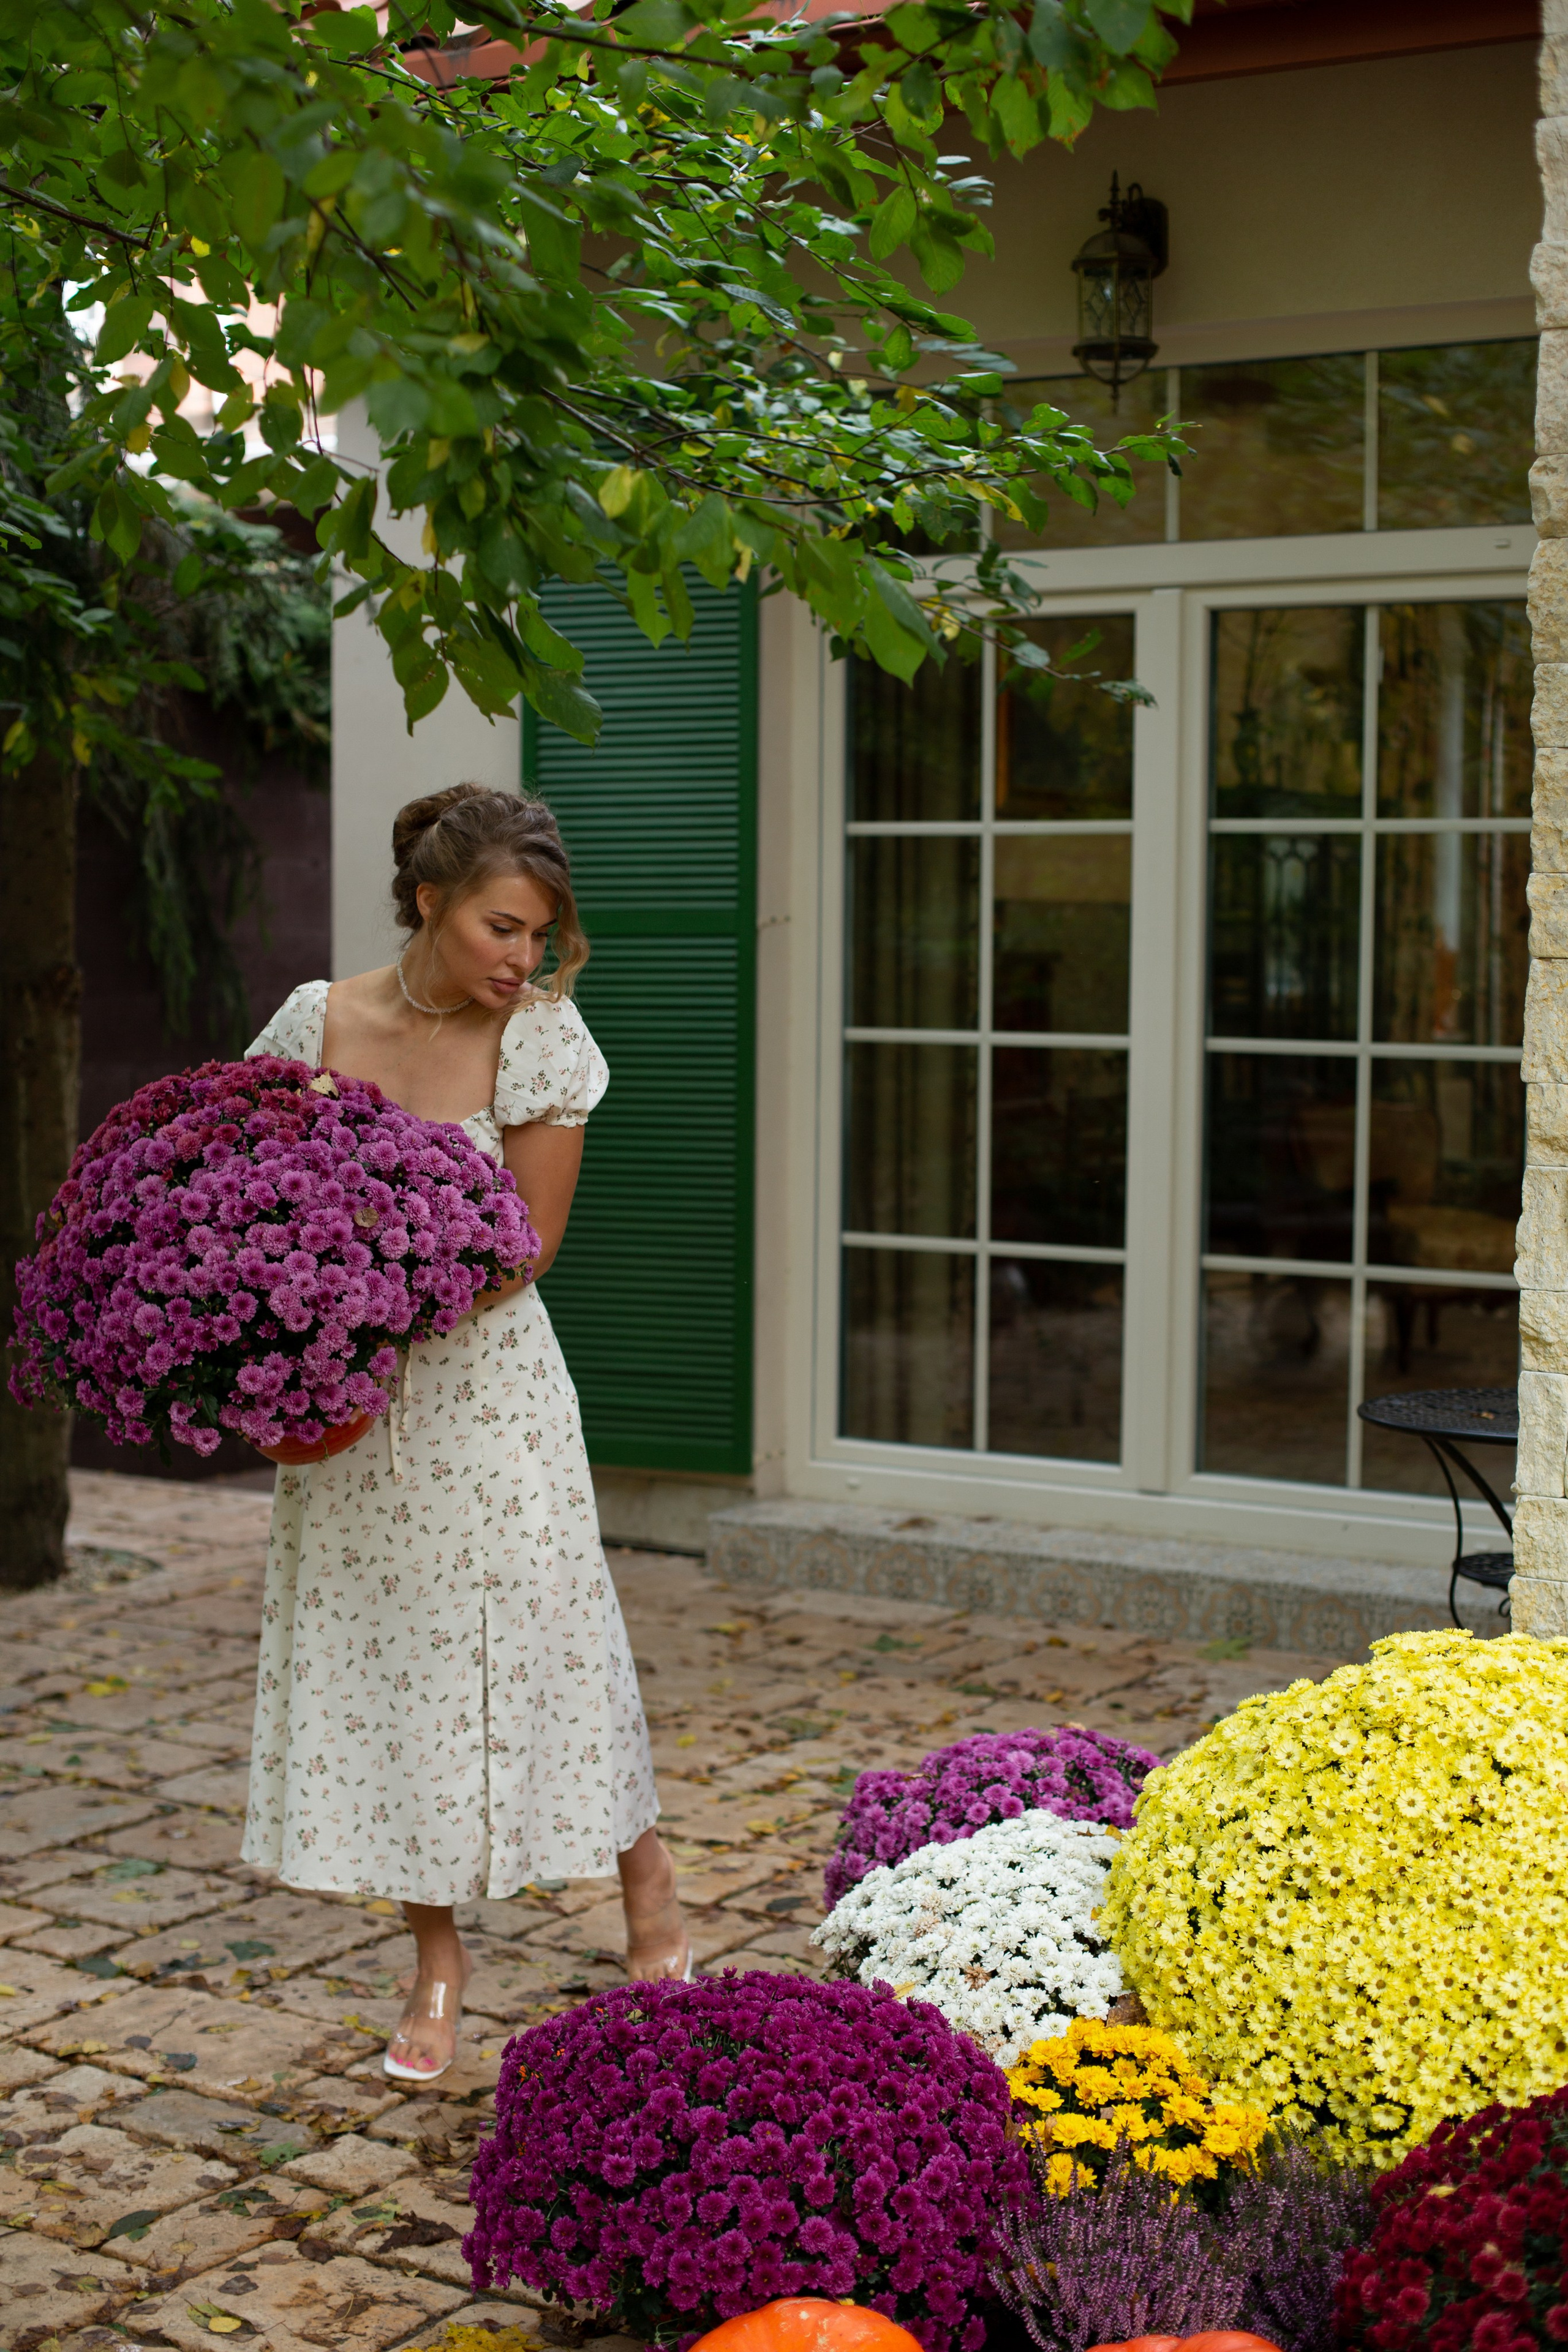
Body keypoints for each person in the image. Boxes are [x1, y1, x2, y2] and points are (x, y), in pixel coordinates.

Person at [243, 782, 687, 2081]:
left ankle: (645, 1888)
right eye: (501, 927)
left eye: (540, 938)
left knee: (556, 1639)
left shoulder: (542, 1038)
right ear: (430, 900)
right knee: (382, 1668)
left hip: (490, 1403)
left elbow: (525, 1251)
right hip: (345, 1412)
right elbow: (242, 1199)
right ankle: (435, 1959)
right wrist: (276, 1333)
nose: (522, 959)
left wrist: (360, 1285)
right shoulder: (313, 1024)